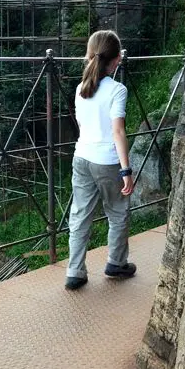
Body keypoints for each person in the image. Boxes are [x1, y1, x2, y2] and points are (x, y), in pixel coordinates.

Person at [65, 29, 136, 290]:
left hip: (81, 157)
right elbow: (117, 131)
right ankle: (116, 263)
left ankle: (75, 272)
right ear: (116, 59)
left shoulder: (80, 89)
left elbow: (83, 125)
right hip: (107, 161)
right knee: (117, 212)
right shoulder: (117, 90)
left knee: (80, 214)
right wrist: (125, 169)